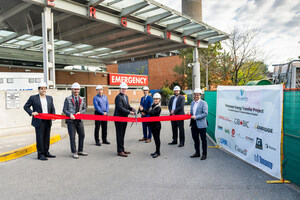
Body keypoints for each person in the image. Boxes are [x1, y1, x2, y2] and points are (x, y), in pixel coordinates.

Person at [23, 81, 56, 161]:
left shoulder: (49, 98)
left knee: (47, 137)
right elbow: (26, 107)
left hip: (47, 121)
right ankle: (40, 154)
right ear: (38, 90)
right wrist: (32, 112)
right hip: (39, 121)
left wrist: (53, 116)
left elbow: (52, 108)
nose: (43, 90)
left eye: (45, 89)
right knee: (40, 138)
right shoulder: (33, 98)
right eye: (41, 89)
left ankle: (46, 152)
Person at [63, 82, 88, 159]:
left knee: (82, 135)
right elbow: (64, 109)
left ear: (79, 90)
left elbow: (85, 108)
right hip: (71, 121)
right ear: (72, 89)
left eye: (77, 89)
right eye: (75, 89)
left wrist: (80, 113)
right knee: (72, 137)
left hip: (79, 120)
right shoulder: (68, 99)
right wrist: (70, 114)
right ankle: (74, 152)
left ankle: (80, 150)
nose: (76, 91)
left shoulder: (82, 99)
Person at [114, 82, 135, 157]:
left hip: (124, 119)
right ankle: (119, 151)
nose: (124, 90)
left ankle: (122, 149)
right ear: (120, 89)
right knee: (119, 135)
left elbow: (127, 106)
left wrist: (132, 108)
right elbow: (120, 108)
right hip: (119, 119)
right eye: (122, 89)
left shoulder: (126, 97)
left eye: (125, 89)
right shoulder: (118, 97)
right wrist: (129, 112)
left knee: (122, 135)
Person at [140, 93, 162, 158]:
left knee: (157, 139)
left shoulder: (158, 107)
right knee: (155, 139)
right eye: (154, 99)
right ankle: (156, 151)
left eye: (157, 99)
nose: (155, 100)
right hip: (152, 124)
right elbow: (148, 111)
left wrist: (143, 110)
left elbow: (152, 113)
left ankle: (158, 152)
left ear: (159, 100)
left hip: (156, 125)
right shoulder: (152, 105)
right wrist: (143, 111)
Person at [190, 88, 208, 160]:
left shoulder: (204, 103)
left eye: (198, 95)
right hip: (193, 123)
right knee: (195, 139)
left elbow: (205, 113)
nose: (196, 96)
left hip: (201, 124)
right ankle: (197, 153)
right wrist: (190, 114)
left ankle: (204, 154)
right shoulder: (192, 103)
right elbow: (192, 112)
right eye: (195, 95)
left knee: (203, 140)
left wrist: (196, 117)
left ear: (200, 95)